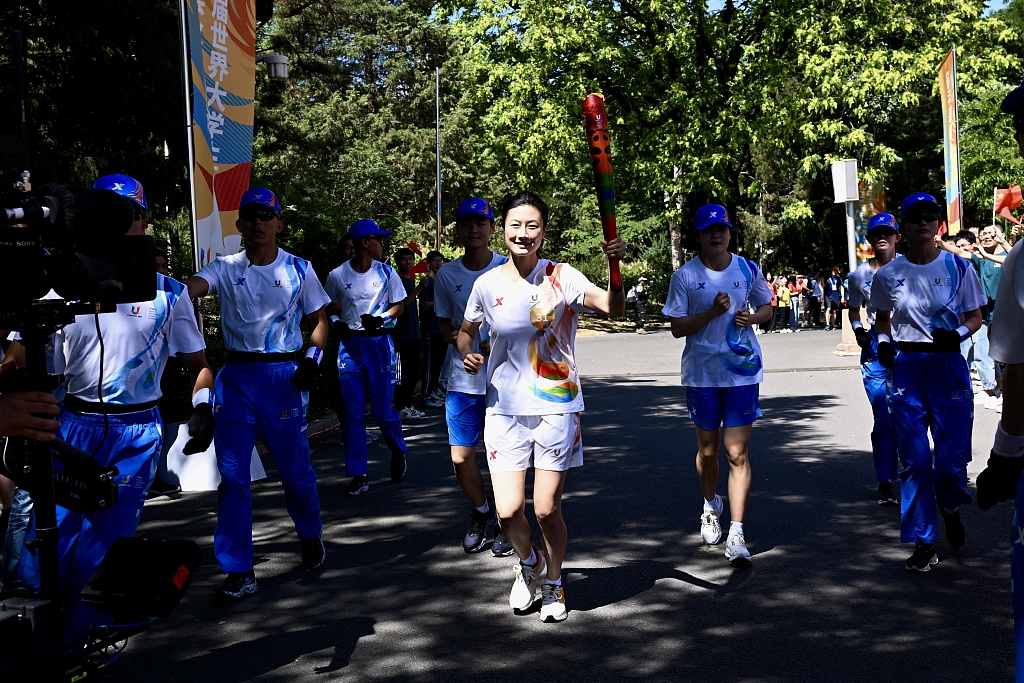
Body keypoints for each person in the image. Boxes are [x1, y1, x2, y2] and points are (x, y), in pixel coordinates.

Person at [9, 174, 214, 642]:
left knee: (102, 548)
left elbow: (199, 364)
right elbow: (16, 361)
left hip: (136, 433)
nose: (122, 226)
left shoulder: (169, 291)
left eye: (131, 216)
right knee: (49, 545)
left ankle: (86, 648)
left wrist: (204, 407)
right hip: (71, 427)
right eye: (110, 216)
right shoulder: (60, 283)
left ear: (144, 222)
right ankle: (32, 644)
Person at [458, 191, 625, 623]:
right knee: (509, 510)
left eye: (532, 226)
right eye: (516, 225)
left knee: (547, 509)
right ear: (503, 229)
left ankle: (553, 582)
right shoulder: (487, 284)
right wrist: (467, 351)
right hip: (504, 410)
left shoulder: (562, 277)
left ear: (544, 233)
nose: (523, 233)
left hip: (557, 406)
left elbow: (613, 307)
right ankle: (529, 561)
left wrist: (614, 268)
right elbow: (466, 330)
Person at [185, 187, 330, 602]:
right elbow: (191, 287)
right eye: (251, 215)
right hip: (237, 377)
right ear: (240, 225)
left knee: (295, 473)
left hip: (282, 378)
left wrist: (312, 360)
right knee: (232, 478)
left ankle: (309, 535)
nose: (259, 222)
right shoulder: (224, 268)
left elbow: (320, 321)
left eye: (267, 215)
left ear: (279, 223)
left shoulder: (300, 269)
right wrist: (175, 290)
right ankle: (238, 568)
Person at [869, 192, 985, 572]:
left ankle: (950, 506)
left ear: (940, 224)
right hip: (907, 369)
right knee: (916, 461)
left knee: (950, 465)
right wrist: (885, 344)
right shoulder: (888, 275)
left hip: (947, 365)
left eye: (930, 215)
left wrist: (960, 336)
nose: (923, 222)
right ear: (904, 225)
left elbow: (975, 317)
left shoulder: (959, 267)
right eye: (914, 216)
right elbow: (883, 320)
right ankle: (924, 540)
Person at [662, 204, 773, 568]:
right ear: (698, 236)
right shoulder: (685, 276)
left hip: (742, 371)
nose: (716, 235)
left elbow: (767, 308)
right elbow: (677, 328)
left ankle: (738, 532)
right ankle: (711, 505)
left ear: (729, 233)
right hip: (702, 374)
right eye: (709, 230)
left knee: (736, 453)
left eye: (722, 229)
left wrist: (751, 316)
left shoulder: (746, 268)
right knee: (708, 452)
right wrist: (711, 312)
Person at [435, 198, 513, 556]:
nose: (474, 229)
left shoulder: (510, 267)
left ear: (493, 228)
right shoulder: (447, 275)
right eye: (467, 223)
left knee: (505, 456)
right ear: (458, 229)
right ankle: (482, 510)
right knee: (462, 458)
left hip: (506, 383)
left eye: (481, 223)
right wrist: (465, 350)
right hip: (464, 382)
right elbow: (444, 325)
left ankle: (506, 518)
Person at [324, 219, 409, 496]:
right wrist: (336, 321)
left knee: (383, 410)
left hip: (379, 345)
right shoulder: (337, 275)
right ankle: (359, 474)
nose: (382, 245)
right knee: (353, 414)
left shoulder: (386, 272)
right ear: (365, 243)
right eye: (378, 240)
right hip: (350, 348)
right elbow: (333, 307)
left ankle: (398, 450)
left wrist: (381, 318)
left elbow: (399, 306)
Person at [847, 213, 902, 505]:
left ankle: (915, 473)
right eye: (876, 233)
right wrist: (858, 332)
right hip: (875, 354)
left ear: (897, 237)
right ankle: (885, 482)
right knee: (883, 417)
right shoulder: (858, 276)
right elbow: (854, 311)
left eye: (888, 232)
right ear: (869, 240)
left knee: (908, 415)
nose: (882, 237)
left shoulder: (912, 267)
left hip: (909, 349)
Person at [938, 225, 1007, 408]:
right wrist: (940, 242)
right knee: (988, 352)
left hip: (1007, 313)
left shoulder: (1008, 255)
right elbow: (959, 252)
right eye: (984, 234)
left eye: (991, 233)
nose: (986, 236)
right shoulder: (980, 259)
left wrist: (999, 245)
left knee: (1004, 355)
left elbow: (1011, 259)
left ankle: (996, 391)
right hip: (986, 313)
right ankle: (994, 391)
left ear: (1001, 235)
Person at [391, 247, 426, 420]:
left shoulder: (409, 280)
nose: (408, 262)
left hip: (414, 333)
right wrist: (419, 287)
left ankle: (407, 404)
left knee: (412, 373)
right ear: (398, 262)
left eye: (411, 259)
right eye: (404, 259)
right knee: (401, 374)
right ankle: (399, 407)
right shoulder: (397, 280)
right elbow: (403, 304)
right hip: (400, 335)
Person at [420, 251, 447, 408]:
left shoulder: (443, 281)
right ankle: (425, 395)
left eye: (440, 261)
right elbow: (424, 305)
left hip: (442, 328)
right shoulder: (426, 282)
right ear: (428, 263)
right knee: (430, 364)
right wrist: (441, 301)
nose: (438, 263)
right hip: (430, 329)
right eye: (435, 261)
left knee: (439, 364)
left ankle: (435, 391)